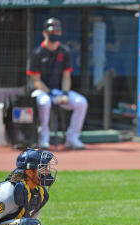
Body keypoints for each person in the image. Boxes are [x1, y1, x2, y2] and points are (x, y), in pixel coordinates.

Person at [27, 17, 88, 149]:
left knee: (81, 102)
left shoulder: (64, 51)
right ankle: (44, 138)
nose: (54, 34)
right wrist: (50, 94)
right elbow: (35, 80)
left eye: (56, 32)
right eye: (51, 32)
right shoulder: (37, 53)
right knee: (45, 102)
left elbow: (67, 76)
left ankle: (72, 138)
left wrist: (65, 93)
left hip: (58, 91)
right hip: (40, 91)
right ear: (44, 33)